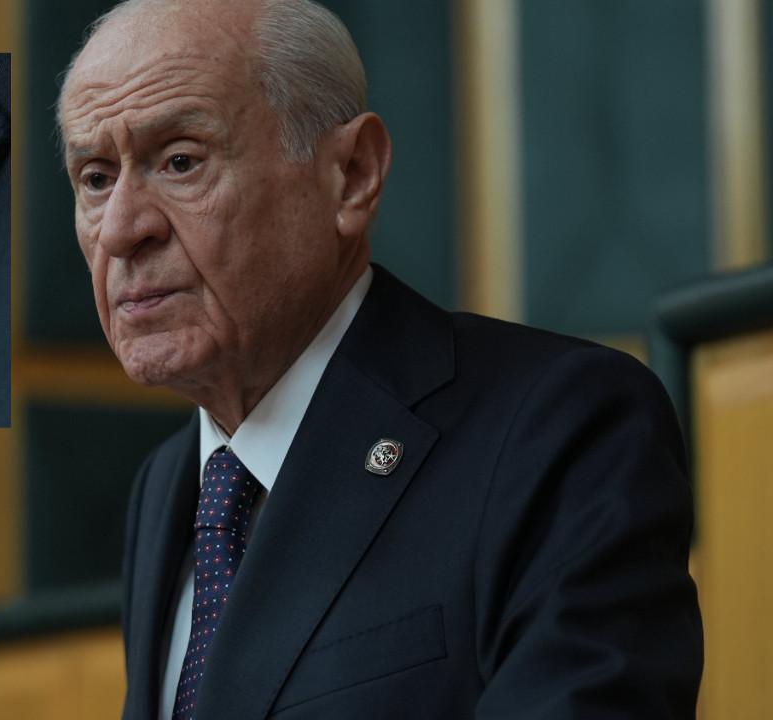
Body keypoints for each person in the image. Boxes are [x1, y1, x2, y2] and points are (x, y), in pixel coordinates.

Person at [57, 0, 704, 717]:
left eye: (181, 161)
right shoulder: (170, 486)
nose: (121, 230)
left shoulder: (561, 430)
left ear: (351, 175)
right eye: (95, 178)